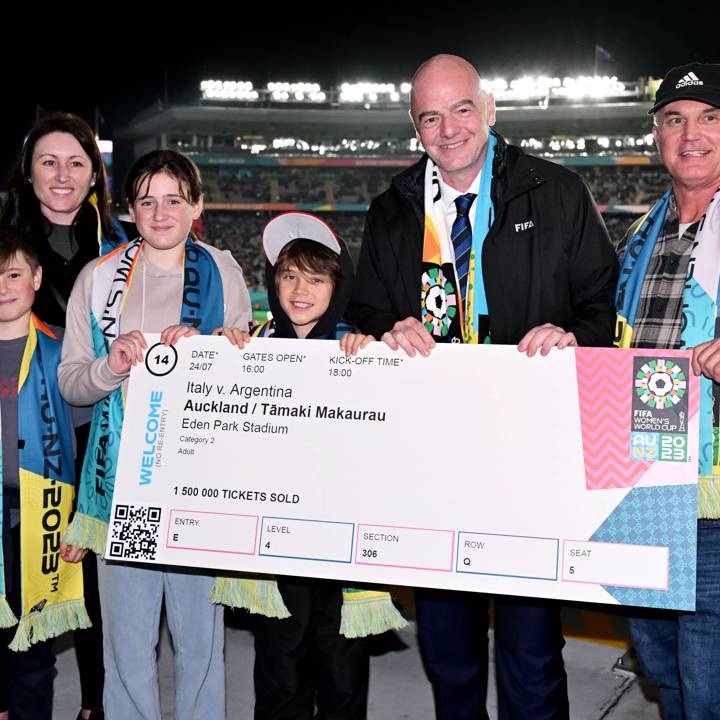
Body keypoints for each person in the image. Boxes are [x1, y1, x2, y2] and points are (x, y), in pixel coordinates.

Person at [348, 54, 618, 719]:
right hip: (434, 461)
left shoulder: (556, 191)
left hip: (529, 457)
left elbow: (602, 302)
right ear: (415, 128)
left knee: (530, 652)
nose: (448, 130)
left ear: (490, 108)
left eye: (461, 109)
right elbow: (366, 310)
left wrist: (571, 335)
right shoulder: (393, 209)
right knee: (449, 654)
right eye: (430, 117)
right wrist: (388, 329)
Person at [58, 149, 252, 720]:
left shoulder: (221, 267)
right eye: (147, 200)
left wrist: (209, 350)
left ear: (197, 206)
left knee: (200, 644)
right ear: (130, 209)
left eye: (174, 199)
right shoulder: (98, 277)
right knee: (128, 648)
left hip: (197, 485)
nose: (160, 212)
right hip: (123, 489)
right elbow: (72, 384)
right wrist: (112, 366)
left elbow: (247, 366)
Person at [211, 211, 406, 720]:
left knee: (342, 677)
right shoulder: (252, 346)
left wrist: (373, 354)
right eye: (289, 275)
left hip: (343, 551)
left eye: (317, 278)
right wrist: (214, 358)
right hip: (275, 548)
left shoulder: (360, 348)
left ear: (337, 285)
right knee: (280, 672)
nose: (301, 289)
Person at [1, 111, 127, 720]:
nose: (62, 174)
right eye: (48, 161)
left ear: (94, 174)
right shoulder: (5, 247)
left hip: (110, 439)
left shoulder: (125, 246)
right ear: (27, 174)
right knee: (28, 581)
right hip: (31, 439)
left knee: (102, 590)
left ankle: (97, 704)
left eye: (77, 162)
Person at [615, 62, 720, 720]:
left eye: (711, 118)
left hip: (713, 486)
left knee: (707, 676)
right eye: (675, 119)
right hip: (640, 475)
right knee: (658, 658)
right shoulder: (637, 235)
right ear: (657, 134)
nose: (692, 134)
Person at [0, 228, 90, 720]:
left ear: (36, 277)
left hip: (38, 523)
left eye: (13, 274)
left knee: (31, 653)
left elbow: (80, 447)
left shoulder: (60, 355)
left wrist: (78, 518)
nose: (3, 286)